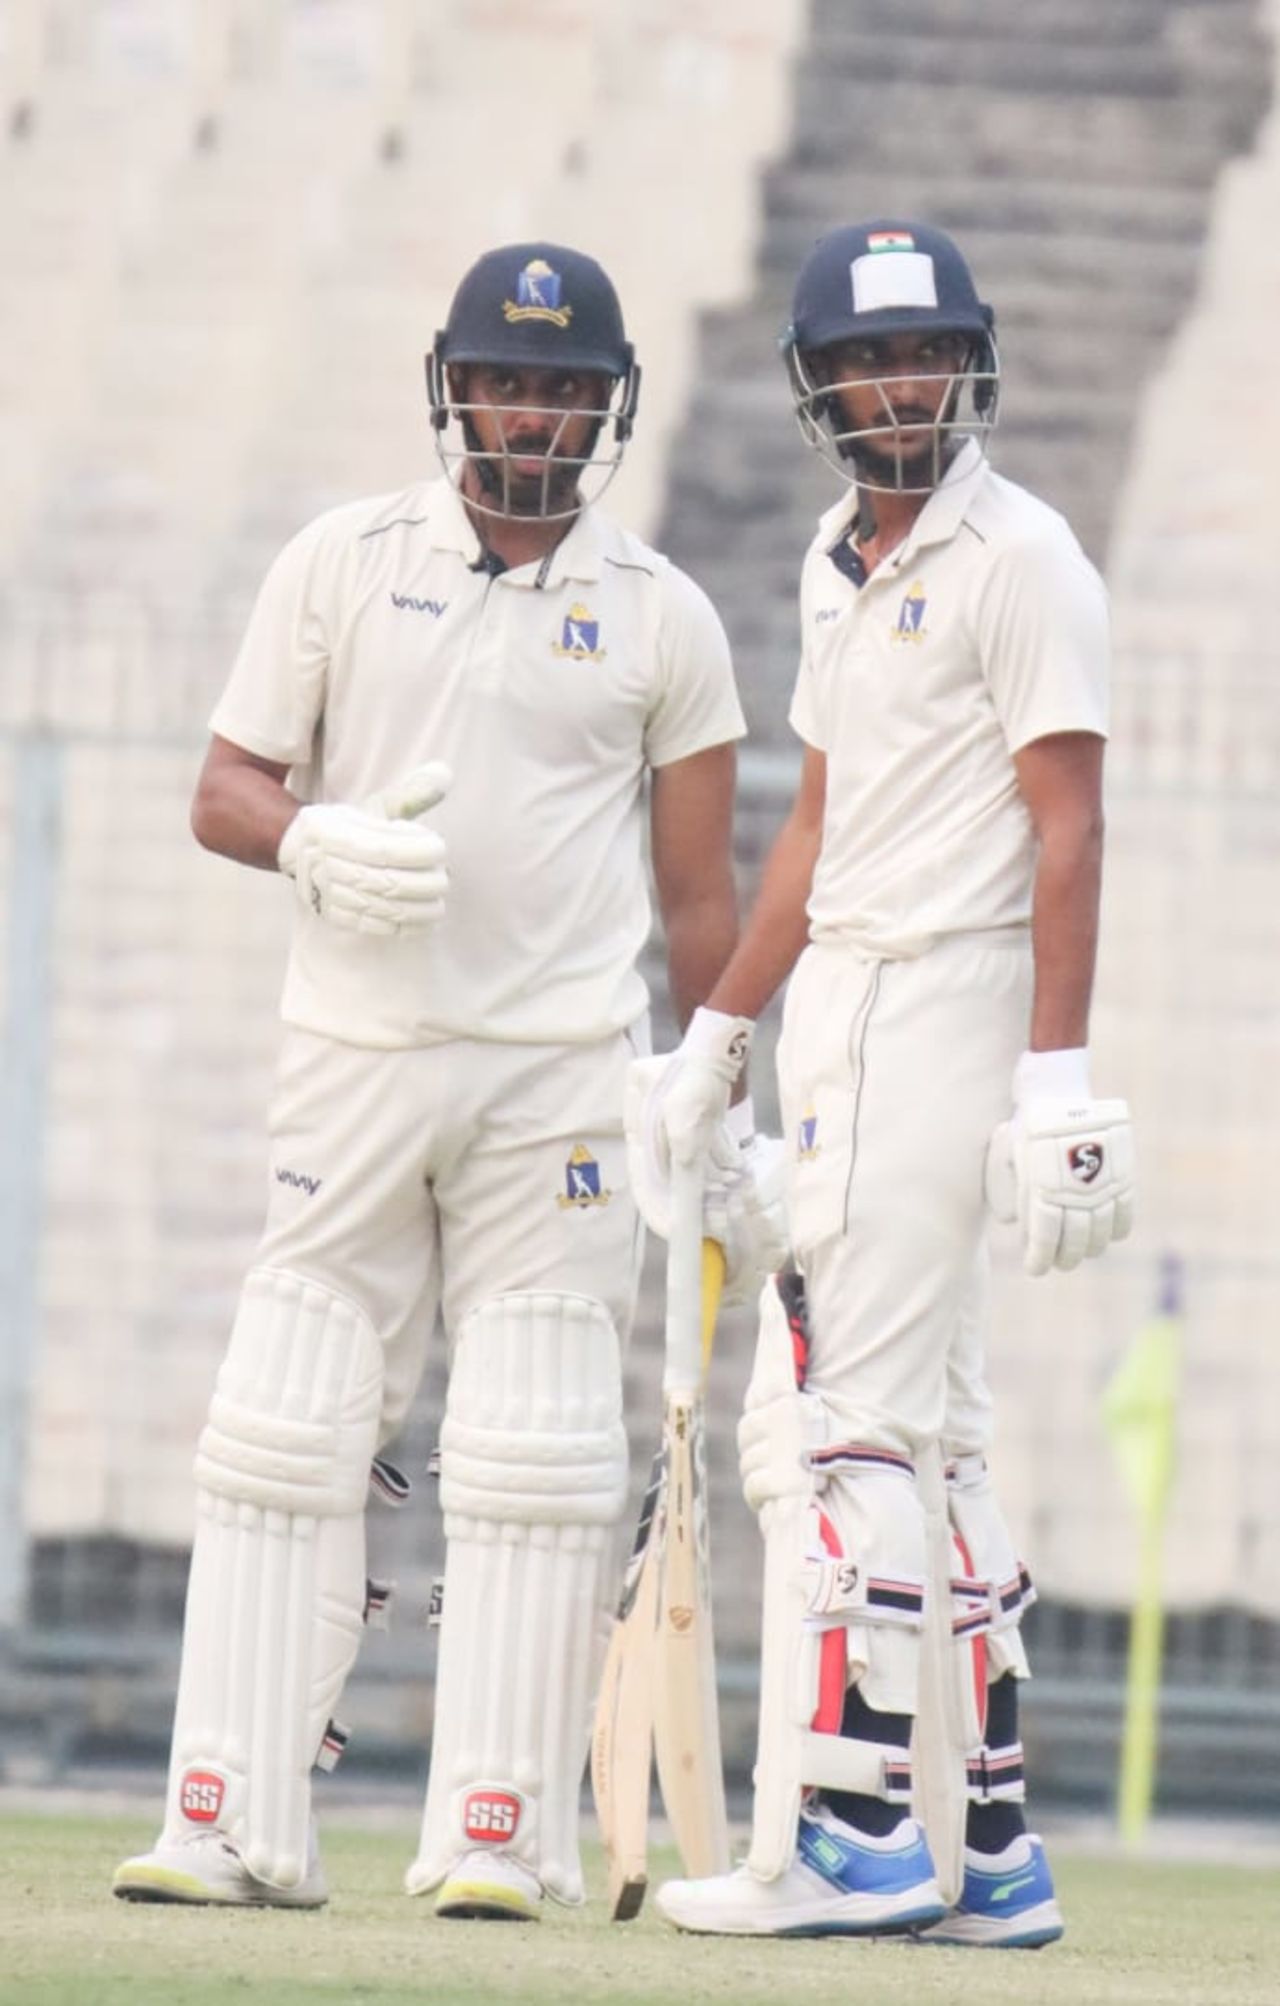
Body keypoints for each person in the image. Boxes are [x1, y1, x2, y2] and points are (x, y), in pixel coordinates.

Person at [111, 241, 756, 1922]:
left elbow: (701, 900)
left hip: (557, 1081)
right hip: (355, 1058)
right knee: (282, 1428)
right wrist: (310, 836)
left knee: (534, 1451)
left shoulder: (667, 614)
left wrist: (714, 1092)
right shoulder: (340, 561)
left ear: (608, 405)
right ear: (452, 385)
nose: (531, 412)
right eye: (507, 378)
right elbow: (224, 788)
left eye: (562, 386)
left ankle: (499, 1828)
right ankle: (232, 1815)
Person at [630, 220, 1134, 1946]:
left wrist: (1054, 1077)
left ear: (970, 364)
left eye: (921, 357)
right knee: (944, 1434)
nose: (897, 385)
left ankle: (850, 1834)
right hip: (843, 996)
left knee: (836, 1419)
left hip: (949, 996)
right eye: (864, 362)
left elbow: (1068, 826)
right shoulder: (839, 560)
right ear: (820, 386)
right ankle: (987, 1848)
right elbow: (818, 832)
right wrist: (717, 1033)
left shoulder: (1026, 559)